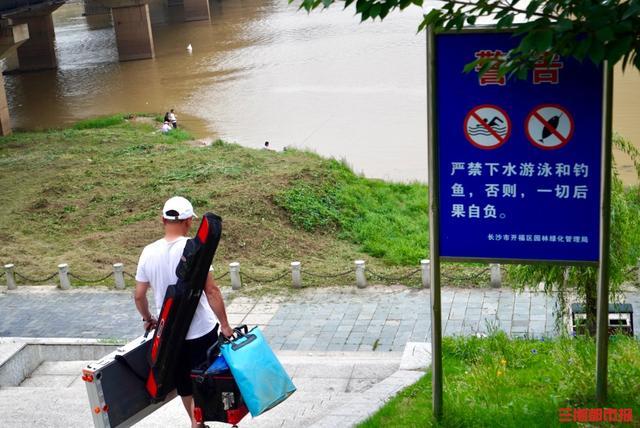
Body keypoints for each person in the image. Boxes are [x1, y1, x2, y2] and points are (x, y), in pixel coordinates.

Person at [134, 196, 233, 428]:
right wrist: (226, 326)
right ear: (189, 222)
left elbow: (139, 295)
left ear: (162, 220)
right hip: (200, 331)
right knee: (205, 380)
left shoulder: (148, 252)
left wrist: (148, 319)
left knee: (185, 384)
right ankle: (203, 420)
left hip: (169, 335)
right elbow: (212, 291)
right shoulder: (194, 251)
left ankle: (195, 422)